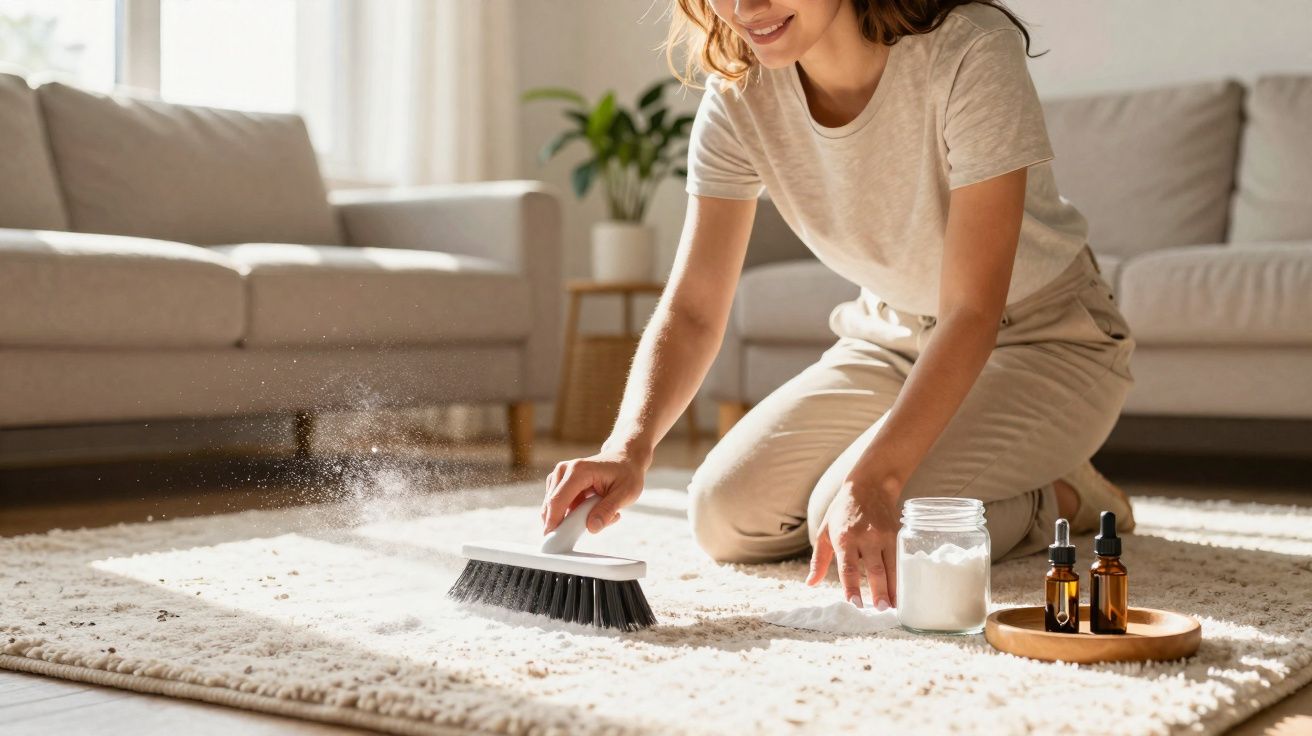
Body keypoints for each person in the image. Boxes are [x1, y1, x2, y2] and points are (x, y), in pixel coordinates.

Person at [541, 0, 1137, 611]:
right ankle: (980, 479)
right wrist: (628, 446)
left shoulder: (970, 50)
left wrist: (875, 477)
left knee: (874, 512)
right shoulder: (742, 95)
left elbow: (971, 310)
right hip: (890, 337)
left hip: (1047, 338)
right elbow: (694, 307)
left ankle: (1063, 497)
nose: (746, 8)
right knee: (723, 515)